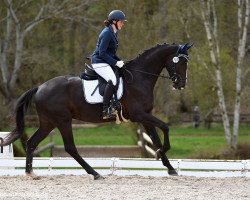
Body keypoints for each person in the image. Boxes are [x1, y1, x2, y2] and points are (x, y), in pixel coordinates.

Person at [92, 10, 127, 119]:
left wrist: (121, 61)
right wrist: (115, 62)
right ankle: (106, 109)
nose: (123, 24)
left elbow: (111, 53)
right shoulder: (107, 33)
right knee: (112, 79)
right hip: (99, 62)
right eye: (121, 22)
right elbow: (102, 53)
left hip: (105, 61)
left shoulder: (114, 33)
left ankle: (114, 101)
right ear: (114, 22)